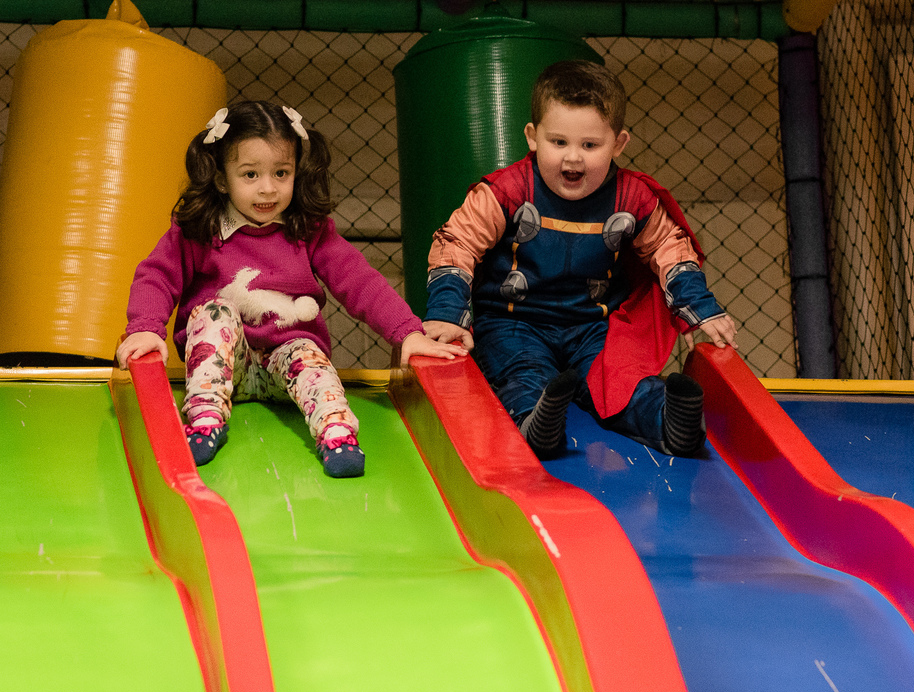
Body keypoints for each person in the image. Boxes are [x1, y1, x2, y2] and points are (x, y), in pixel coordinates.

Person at [117, 100, 466, 477]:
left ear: (296, 172)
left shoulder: (307, 229)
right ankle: (205, 418)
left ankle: (335, 431)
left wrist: (407, 332)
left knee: (306, 351)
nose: (268, 189)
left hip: (288, 365)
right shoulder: (200, 228)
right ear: (221, 178)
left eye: (281, 173)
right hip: (223, 368)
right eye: (250, 175)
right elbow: (156, 275)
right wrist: (146, 328)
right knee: (215, 312)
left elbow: (358, 280)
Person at [424, 60, 737, 459]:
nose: (573, 159)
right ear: (533, 137)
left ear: (618, 144)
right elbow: (457, 244)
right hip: (514, 322)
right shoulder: (507, 191)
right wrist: (448, 314)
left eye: (590, 146)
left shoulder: (631, 198)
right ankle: (535, 424)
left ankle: (668, 421)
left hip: (593, 324)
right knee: (522, 374)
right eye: (559, 143)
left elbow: (670, 250)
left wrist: (701, 308)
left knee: (620, 379)